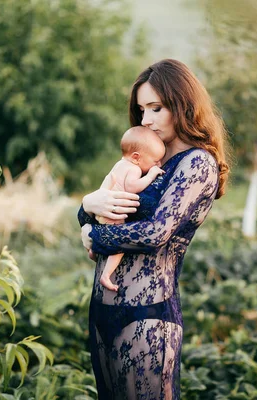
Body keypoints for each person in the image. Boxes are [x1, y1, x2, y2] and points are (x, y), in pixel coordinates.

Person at [77, 59, 230, 399]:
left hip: (148, 315)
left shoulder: (197, 162)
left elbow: (155, 233)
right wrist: (87, 206)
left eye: (156, 108)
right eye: (141, 109)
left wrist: (94, 236)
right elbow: (108, 204)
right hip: (103, 309)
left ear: (182, 104)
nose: (146, 120)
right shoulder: (146, 157)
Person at [95, 126, 166, 292]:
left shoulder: (120, 164)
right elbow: (132, 187)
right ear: (136, 157)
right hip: (114, 213)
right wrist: (150, 175)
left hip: (103, 210)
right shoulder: (134, 169)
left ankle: (93, 251)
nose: (158, 164)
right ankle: (106, 275)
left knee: (103, 233)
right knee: (119, 246)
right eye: (155, 161)